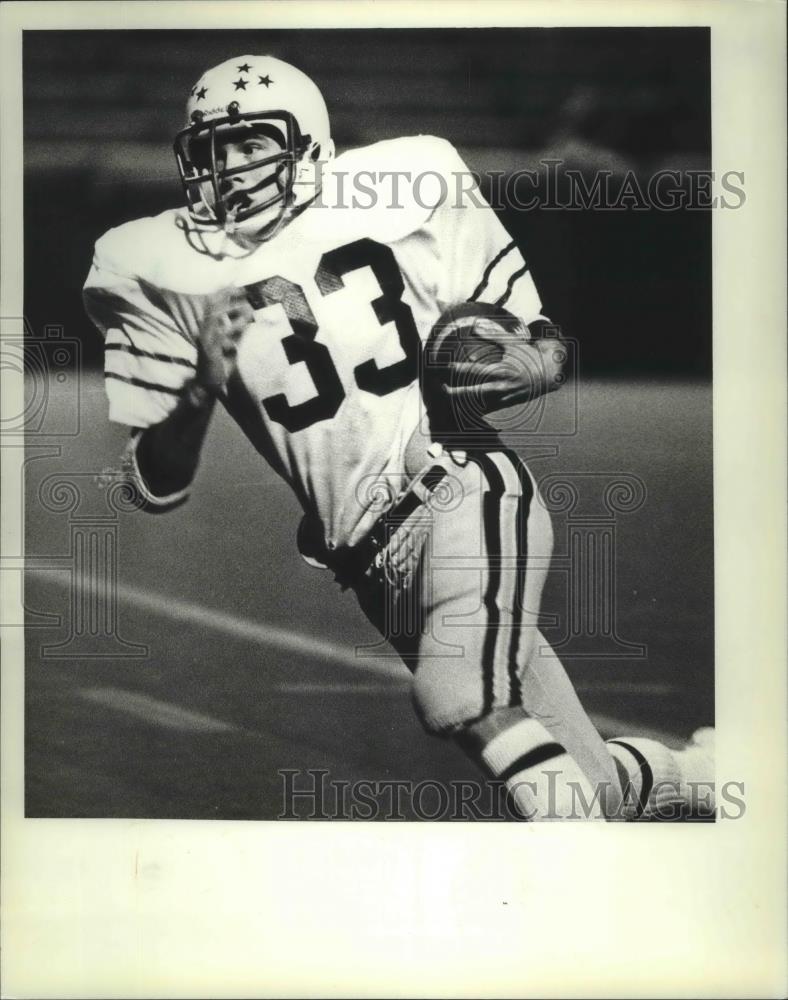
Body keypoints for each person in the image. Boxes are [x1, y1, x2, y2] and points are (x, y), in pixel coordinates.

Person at [83, 54, 713, 821]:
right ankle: (703, 774)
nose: (230, 167)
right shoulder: (153, 265)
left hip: (454, 484)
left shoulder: (404, 180)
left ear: (307, 140)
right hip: (372, 561)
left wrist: (540, 364)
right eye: (212, 149)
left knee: (460, 694)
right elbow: (153, 486)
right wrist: (196, 392)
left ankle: (587, 893)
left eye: (251, 143)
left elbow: (527, 326)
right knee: (591, 785)